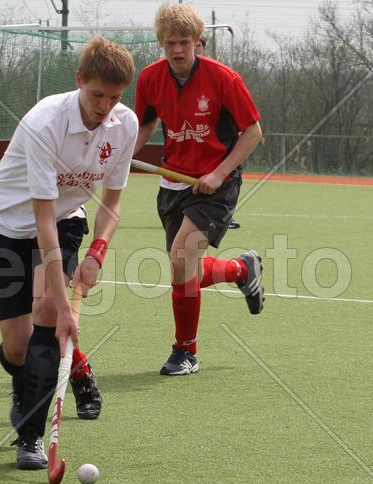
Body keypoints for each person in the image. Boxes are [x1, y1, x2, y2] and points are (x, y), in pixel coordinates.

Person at [0, 35, 137, 469]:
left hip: (65, 217)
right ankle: (29, 383)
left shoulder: (126, 125)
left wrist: (97, 253)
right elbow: (39, 221)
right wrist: (65, 308)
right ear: (79, 80)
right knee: (18, 347)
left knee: (43, 309)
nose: (104, 107)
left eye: (114, 98)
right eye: (97, 95)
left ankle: (29, 437)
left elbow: (111, 205)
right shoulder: (45, 124)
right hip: (6, 223)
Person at [134, 2, 264, 376]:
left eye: (184, 42)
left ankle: (185, 352)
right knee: (183, 268)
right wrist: (122, 154)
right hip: (172, 182)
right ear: (161, 42)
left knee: (181, 258)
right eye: (170, 43)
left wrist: (220, 174)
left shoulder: (224, 79)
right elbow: (144, 125)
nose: (177, 50)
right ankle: (241, 270)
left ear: (198, 41)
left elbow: (253, 132)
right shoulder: (150, 79)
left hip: (215, 184)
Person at [194, 35, 241, 230]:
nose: (193, 50)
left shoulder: (220, 76)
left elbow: (248, 126)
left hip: (221, 149)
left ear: (203, 48)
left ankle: (224, 214)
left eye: (197, 46)